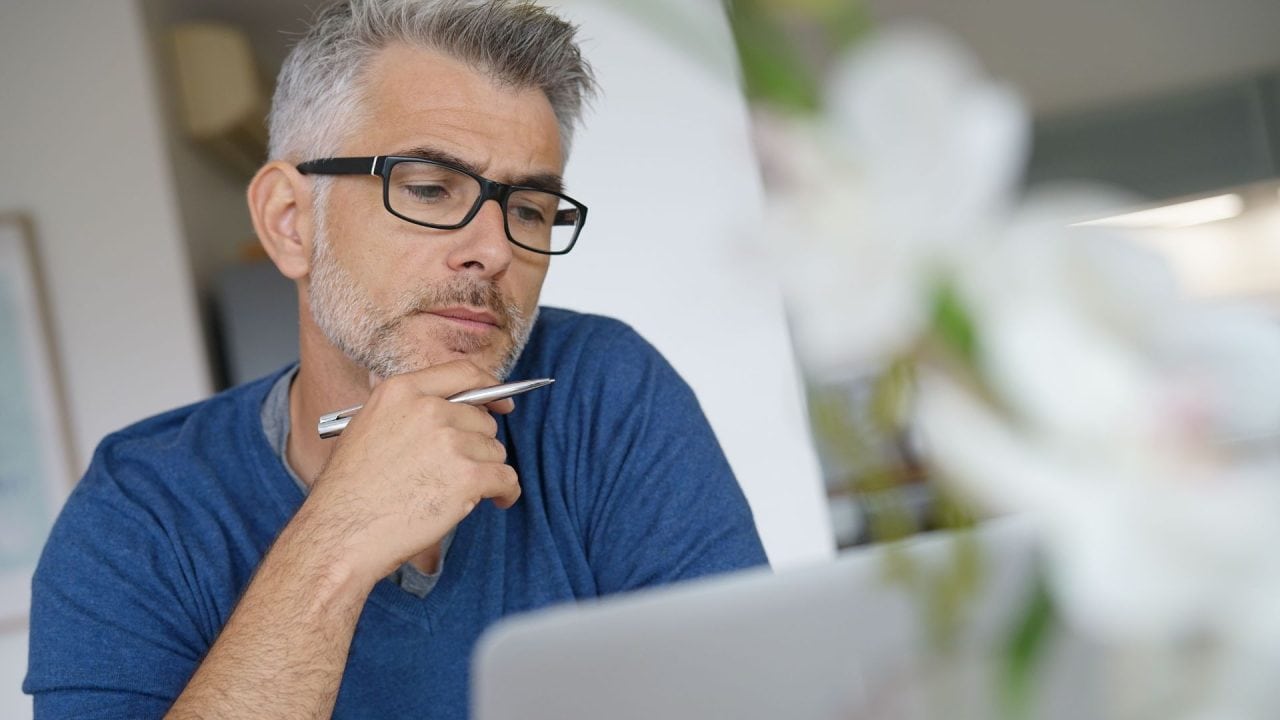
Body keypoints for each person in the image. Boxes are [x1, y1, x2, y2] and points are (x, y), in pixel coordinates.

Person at [23, 0, 767, 717]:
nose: (495, 249)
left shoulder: (603, 391)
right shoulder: (139, 510)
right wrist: (337, 541)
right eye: (430, 188)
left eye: (530, 209)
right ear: (289, 222)